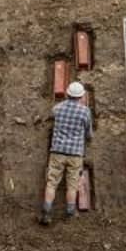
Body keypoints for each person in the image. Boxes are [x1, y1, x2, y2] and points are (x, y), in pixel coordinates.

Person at [41, 81, 93, 226]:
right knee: (72, 184)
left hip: (57, 151)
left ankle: (46, 211)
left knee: (51, 182)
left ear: (67, 94)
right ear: (81, 96)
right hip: (75, 153)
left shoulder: (57, 108)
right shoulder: (85, 111)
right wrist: (87, 138)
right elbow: (89, 133)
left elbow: (52, 121)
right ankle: (70, 212)